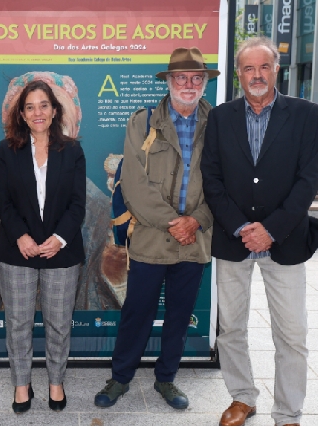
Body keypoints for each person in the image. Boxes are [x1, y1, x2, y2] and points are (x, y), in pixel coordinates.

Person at [93, 47, 219, 410]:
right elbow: (133, 183)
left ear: (205, 83)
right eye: (182, 78)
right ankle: (120, 378)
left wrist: (196, 221)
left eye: (197, 78)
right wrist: (172, 222)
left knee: (180, 315)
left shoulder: (219, 124)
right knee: (138, 311)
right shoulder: (143, 121)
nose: (190, 84)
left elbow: (224, 183)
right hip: (150, 238)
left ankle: (167, 380)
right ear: (169, 81)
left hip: (194, 239)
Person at [201, 36, 318, 427]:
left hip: (286, 240)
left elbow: (308, 180)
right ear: (238, 74)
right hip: (234, 240)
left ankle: (287, 413)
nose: (256, 75)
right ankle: (243, 397)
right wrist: (240, 227)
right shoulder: (220, 117)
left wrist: (270, 230)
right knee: (231, 327)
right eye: (248, 68)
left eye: (264, 67)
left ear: (276, 70)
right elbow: (211, 179)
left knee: (292, 334)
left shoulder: (306, 115)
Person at [0, 79, 86, 414]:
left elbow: (78, 204)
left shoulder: (73, 150)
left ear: (54, 110)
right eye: (30, 107)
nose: (37, 112)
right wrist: (20, 236)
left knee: (59, 323)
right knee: (18, 321)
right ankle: (22, 384)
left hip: (62, 251)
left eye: (43, 105)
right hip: (17, 250)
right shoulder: (7, 150)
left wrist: (58, 239)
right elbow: (2, 201)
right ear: (21, 113)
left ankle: (55, 382)